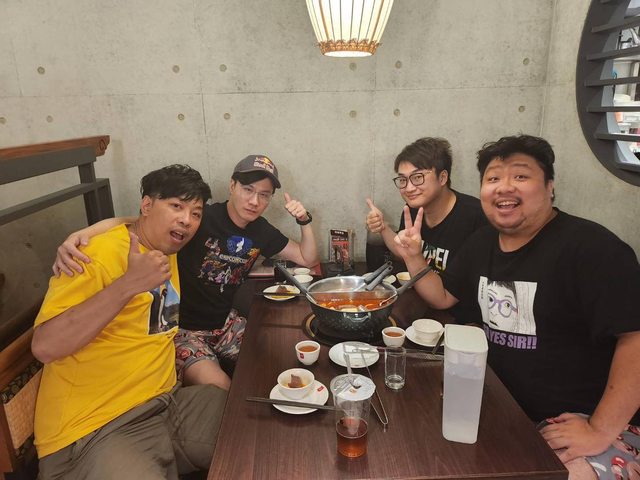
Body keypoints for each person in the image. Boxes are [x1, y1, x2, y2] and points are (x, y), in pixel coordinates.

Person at [392, 134, 640, 476]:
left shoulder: (592, 248)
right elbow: (443, 296)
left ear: (550, 186)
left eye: (521, 176)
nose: (504, 187)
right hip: (500, 404)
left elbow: (635, 337)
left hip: (578, 418)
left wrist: (599, 429)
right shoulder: (482, 243)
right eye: (493, 178)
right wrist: (414, 257)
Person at [52, 154, 319, 391]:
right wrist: (82, 234)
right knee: (221, 388)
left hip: (225, 322)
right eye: (248, 189)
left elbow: (308, 258)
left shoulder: (261, 230)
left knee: (280, 359)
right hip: (183, 331)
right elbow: (139, 222)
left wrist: (304, 220)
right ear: (232, 186)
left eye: (264, 195)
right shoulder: (200, 218)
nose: (254, 201)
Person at [32, 164, 227, 479]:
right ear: (147, 205)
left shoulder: (165, 246)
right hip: (97, 427)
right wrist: (127, 285)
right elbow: (45, 346)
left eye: (195, 213)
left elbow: (133, 224)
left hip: (167, 404)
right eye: (176, 206)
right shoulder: (92, 255)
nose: (186, 220)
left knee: (252, 425)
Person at [365, 137, 486, 321]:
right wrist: (383, 228)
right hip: (422, 305)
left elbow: (444, 299)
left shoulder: (475, 218)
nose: (408, 188)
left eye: (417, 177)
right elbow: (403, 252)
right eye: (402, 180)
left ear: (442, 177)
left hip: (460, 319)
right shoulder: (413, 210)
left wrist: (413, 256)